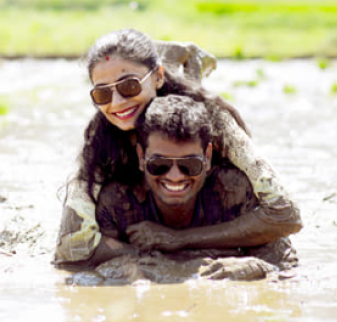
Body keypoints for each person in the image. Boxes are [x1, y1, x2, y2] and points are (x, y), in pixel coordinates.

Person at [55, 28, 302, 267]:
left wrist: (182, 242)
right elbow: (73, 246)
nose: (117, 103)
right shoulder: (102, 138)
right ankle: (171, 61)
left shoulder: (213, 119)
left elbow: (285, 212)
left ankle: (182, 66)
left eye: (129, 86)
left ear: (158, 77)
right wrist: (166, 260)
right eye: (102, 94)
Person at [95, 95, 297, 280]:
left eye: (189, 165)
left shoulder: (234, 191)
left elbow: (285, 263)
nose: (175, 176)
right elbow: (83, 263)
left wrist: (256, 267)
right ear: (141, 157)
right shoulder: (118, 201)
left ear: (207, 158)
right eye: (159, 165)